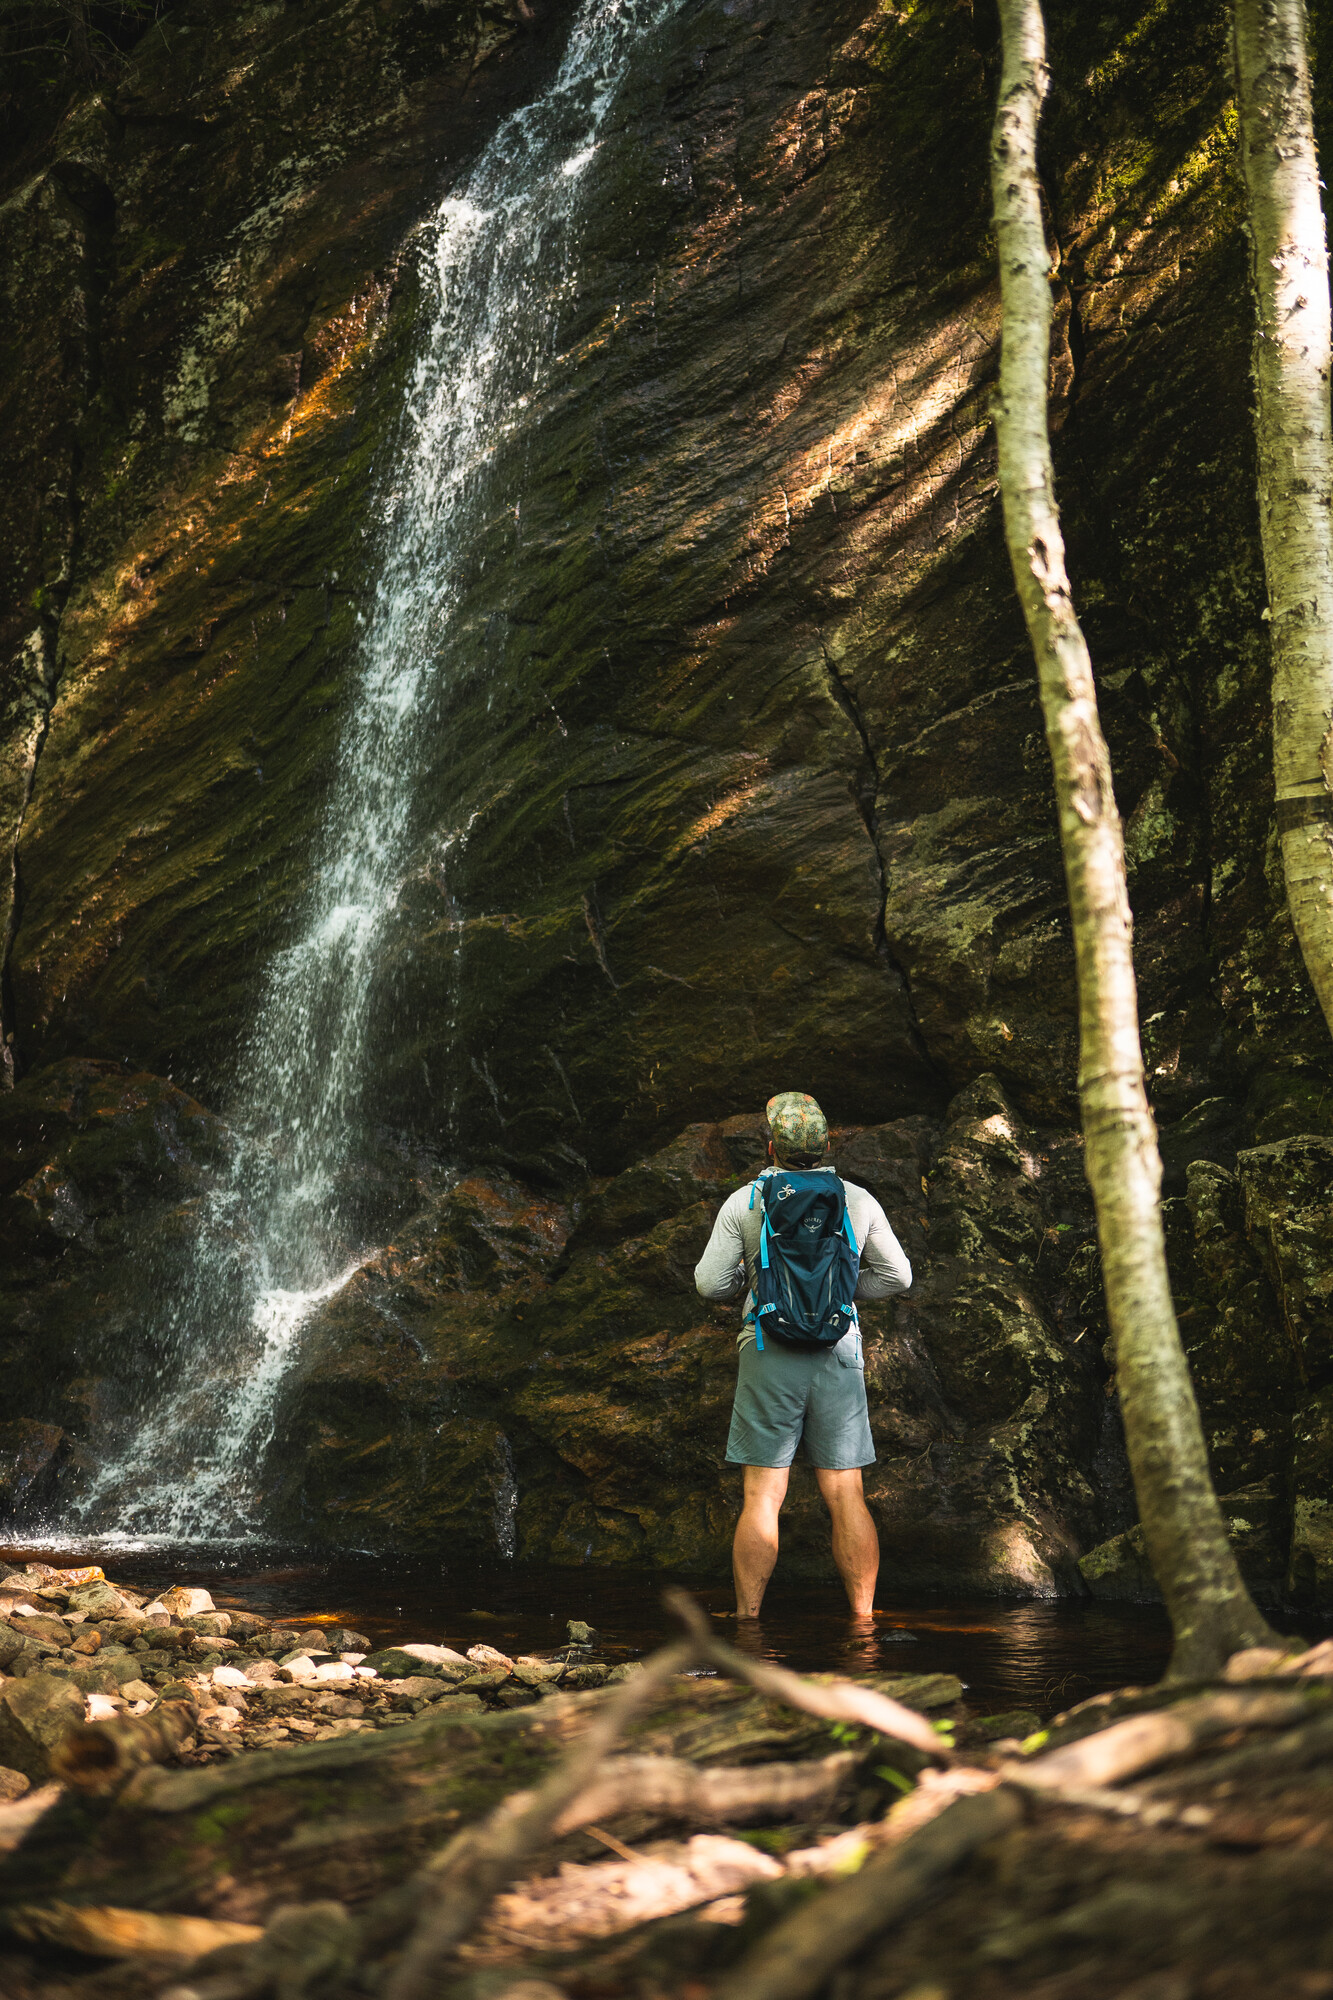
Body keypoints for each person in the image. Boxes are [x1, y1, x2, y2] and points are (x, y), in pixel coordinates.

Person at [694, 1091, 912, 1621]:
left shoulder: (746, 1202)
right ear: (829, 1145)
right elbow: (899, 1276)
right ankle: (863, 1622)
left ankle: (748, 1621)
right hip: (838, 1350)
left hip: (769, 1347)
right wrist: (838, 1298)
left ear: (771, 1147)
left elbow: (708, 1284)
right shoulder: (857, 1200)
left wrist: (761, 1287)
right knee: (846, 1494)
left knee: (763, 1496)